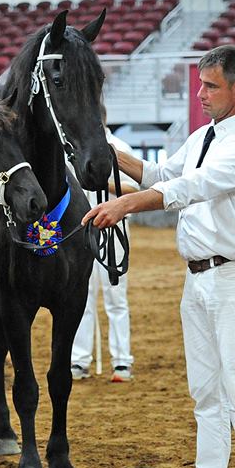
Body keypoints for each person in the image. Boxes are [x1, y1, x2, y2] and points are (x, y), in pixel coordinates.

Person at [82, 45, 235, 468]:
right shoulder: (202, 138)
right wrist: (107, 153)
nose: (200, 94)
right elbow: (160, 175)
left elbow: (186, 190)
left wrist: (126, 206)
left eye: (210, 86)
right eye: (200, 84)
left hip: (234, 277)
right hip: (197, 278)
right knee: (206, 391)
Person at [71, 107, 139, 383]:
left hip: (114, 230)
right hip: (81, 231)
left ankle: (122, 361)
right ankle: (79, 359)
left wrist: (104, 183)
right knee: (82, 298)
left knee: (115, 296)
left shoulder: (120, 149)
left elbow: (137, 190)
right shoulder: (74, 152)